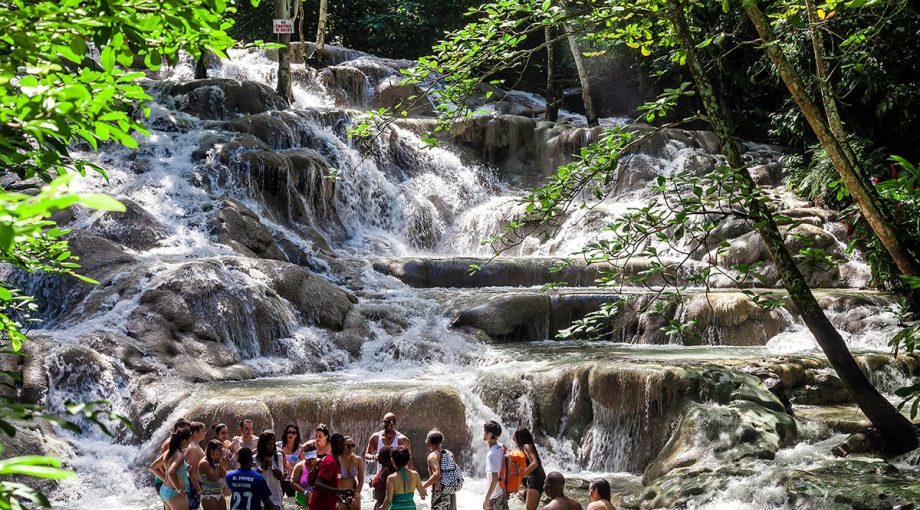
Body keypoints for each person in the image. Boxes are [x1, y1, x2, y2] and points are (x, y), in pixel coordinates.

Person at [310, 433, 355, 510]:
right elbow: (318, 484)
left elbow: (330, 487)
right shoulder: (330, 462)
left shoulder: (335, 460)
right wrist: (341, 491)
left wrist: (342, 500)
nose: (343, 447)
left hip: (327, 504)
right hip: (320, 505)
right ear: (332, 445)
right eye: (340, 445)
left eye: (343, 445)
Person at [153, 428, 193, 510]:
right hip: (175, 493)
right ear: (184, 441)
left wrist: (165, 479)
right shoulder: (179, 456)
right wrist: (178, 489)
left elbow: (153, 468)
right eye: (190, 439)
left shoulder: (167, 452)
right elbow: (171, 472)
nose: (191, 441)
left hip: (164, 490)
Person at [422, 430, 458, 510]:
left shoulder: (433, 456)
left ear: (429, 442)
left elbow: (436, 475)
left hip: (440, 494)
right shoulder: (449, 453)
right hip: (450, 493)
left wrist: (423, 486)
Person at [513, 429, 544, 510]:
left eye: (515, 439)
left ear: (520, 438)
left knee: (529, 508)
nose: (514, 441)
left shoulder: (526, 446)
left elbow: (534, 463)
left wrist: (520, 475)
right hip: (533, 477)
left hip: (536, 478)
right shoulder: (525, 447)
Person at [257, 430, 286, 509]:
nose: (272, 446)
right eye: (269, 444)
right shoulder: (255, 458)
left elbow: (280, 476)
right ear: (263, 445)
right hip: (260, 498)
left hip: (275, 497)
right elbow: (254, 478)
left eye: (273, 444)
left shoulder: (278, 456)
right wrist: (262, 467)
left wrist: (272, 465)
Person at [482, 421, 506, 510]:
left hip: (495, 497)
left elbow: (494, 479)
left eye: (485, 431)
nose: (483, 433)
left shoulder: (491, 454)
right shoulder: (501, 447)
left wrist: (487, 499)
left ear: (489, 434)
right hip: (502, 493)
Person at [199, 440, 229, 510]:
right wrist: (217, 463)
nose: (221, 451)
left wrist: (219, 462)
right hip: (209, 496)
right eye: (219, 450)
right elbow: (215, 478)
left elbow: (223, 475)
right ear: (211, 450)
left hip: (219, 494)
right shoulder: (204, 463)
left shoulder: (215, 460)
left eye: (222, 449)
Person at [337, 436, 364, 510]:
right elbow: (334, 481)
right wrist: (339, 494)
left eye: (353, 445)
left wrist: (356, 493)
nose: (351, 448)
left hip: (353, 492)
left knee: (356, 502)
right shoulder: (337, 460)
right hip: (340, 492)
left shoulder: (358, 460)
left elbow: (361, 480)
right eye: (348, 446)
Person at [187, 422, 208, 510]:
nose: (205, 433)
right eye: (203, 431)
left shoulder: (196, 445)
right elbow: (191, 471)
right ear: (195, 433)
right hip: (194, 485)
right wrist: (199, 490)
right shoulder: (193, 447)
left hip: (197, 483)